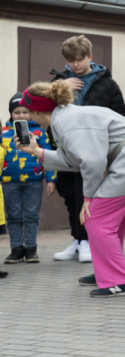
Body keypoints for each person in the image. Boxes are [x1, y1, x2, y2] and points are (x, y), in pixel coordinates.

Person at [17, 80, 125, 297]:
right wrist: (35, 151)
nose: (25, 116)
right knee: (108, 223)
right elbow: (73, 160)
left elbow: (92, 162)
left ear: (36, 111)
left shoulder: (66, 122)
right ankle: (106, 273)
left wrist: (88, 198)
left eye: (27, 111)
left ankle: (121, 281)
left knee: (96, 219)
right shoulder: (66, 117)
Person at [50, 34, 125, 263]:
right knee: (70, 195)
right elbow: (44, 108)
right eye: (70, 60)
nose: (75, 64)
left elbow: (119, 114)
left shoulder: (107, 83)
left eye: (79, 59)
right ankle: (77, 240)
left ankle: (88, 241)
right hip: (67, 149)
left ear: (90, 57)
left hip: (95, 150)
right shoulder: (60, 80)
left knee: (89, 196)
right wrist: (60, 88)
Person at [3, 95, 57, 263]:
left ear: (32, 113)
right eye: (16, 112)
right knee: (13, 215)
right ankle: (16, 249)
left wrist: (51, 179)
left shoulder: (39, 132)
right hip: (9, 181)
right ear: (11, 114)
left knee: (32, 215)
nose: (21, 116)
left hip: (34, 181)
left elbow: (49, 156)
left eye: (25, 112)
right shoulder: (4, 133)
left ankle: (31, 248)